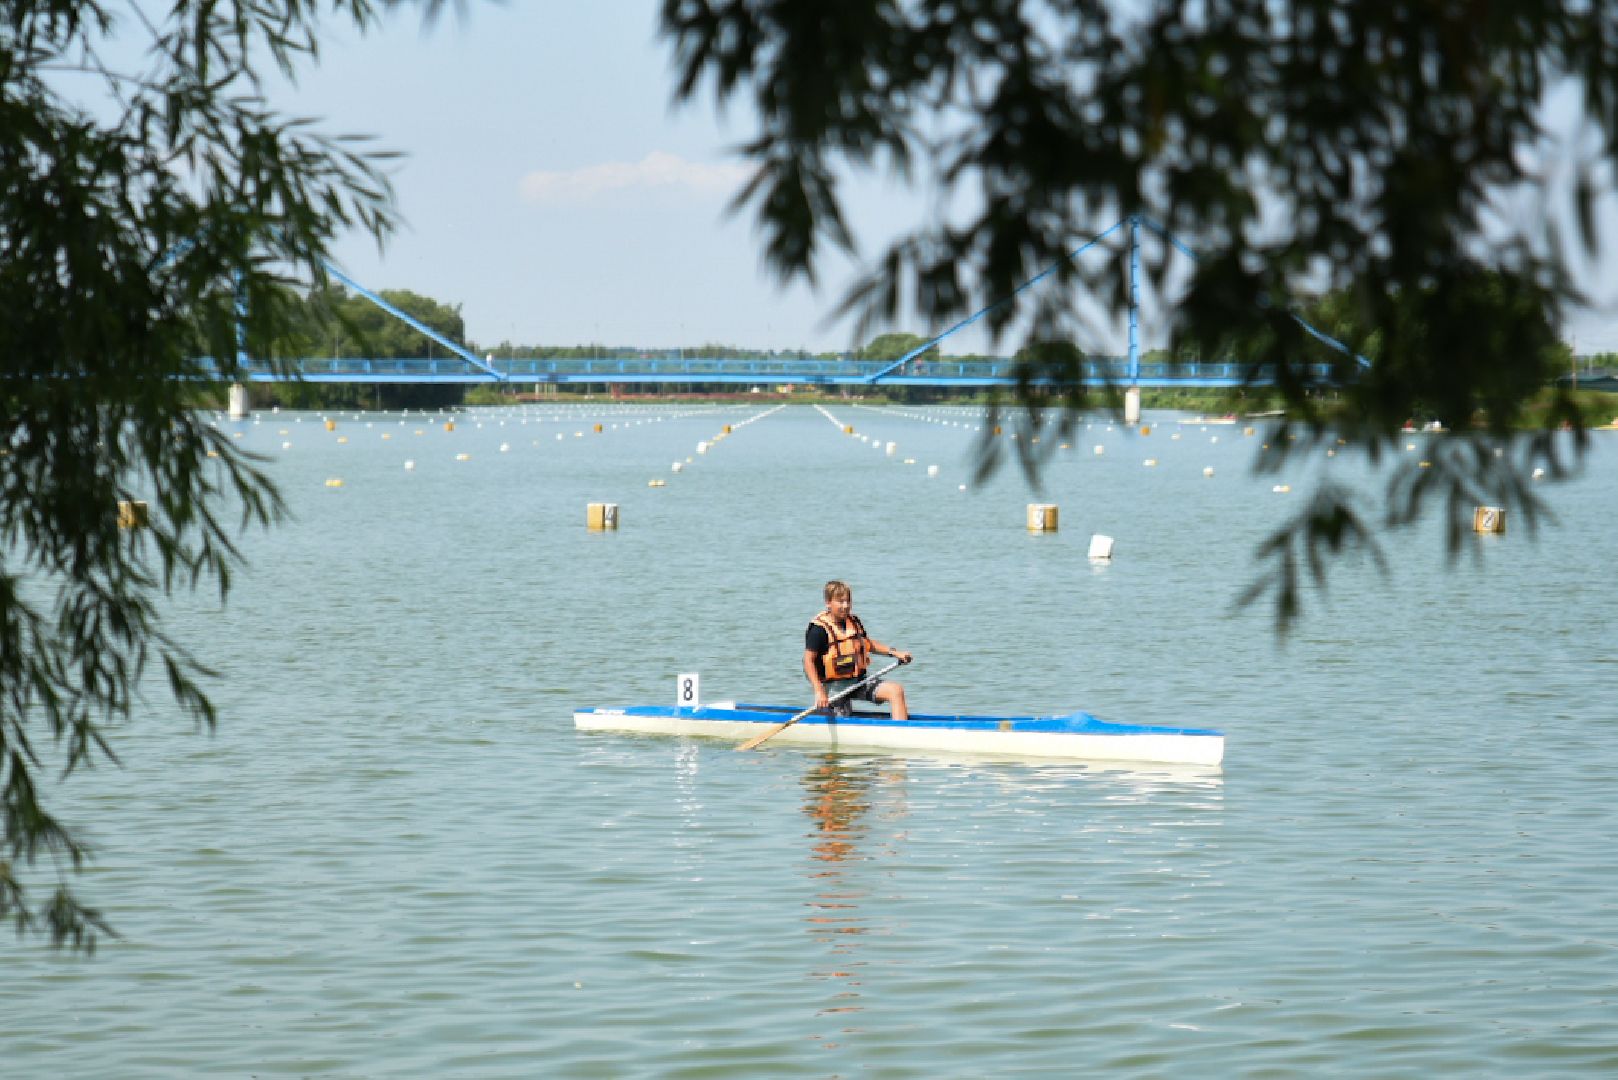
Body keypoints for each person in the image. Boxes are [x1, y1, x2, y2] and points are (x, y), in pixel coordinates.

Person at [803, 580, 913, 720]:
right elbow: (808, 661)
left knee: (895, 690)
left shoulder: (854, 622)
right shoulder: (818, 629)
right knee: (841, 717)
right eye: (840, 601)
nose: (846, 606)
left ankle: (900, 733)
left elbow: (868, 644)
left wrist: (895, 652)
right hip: (833, 688)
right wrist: (819, 691)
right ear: (828, 602)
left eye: (848, 601)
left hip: (857, 682)